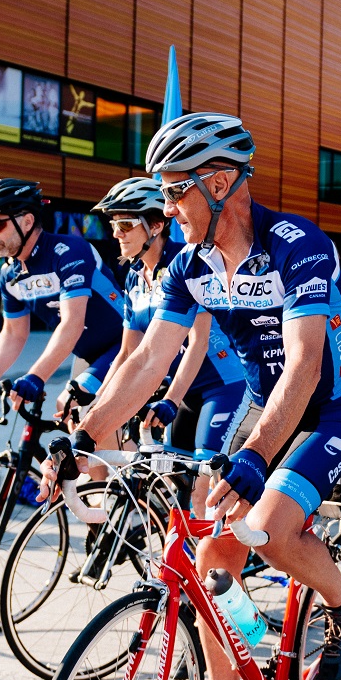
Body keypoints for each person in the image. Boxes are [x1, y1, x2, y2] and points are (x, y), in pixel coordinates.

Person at [41, 111, 341, 680]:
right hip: (265, 411)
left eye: (175, 190)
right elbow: (143, 364)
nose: (167, 207)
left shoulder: (295, 245)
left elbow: (306, 362)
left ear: (221, 180)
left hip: (330, 408)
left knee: (274, 531)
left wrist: (255, 454)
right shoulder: (189, 266)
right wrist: (82, 436)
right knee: (209, 558)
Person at [93, 177, 247, 491]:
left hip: (223, 387)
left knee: (205, 489)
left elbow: (198, 343)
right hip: (182, 392)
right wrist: (98, 403)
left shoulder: (188, 264)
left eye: (124, 224)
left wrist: (170, 401)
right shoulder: (134, 278)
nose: (116, 234)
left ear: (156, 226)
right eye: (113, 226)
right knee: (172, 487)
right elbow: (128, 354)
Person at [0, 179, 124, 425]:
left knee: (71, 408)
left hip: (125, 344)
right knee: (76, 430)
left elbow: (72, 323)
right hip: (87, 355)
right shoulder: (10, 276)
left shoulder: (69, 251)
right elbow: (13, 334)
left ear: (27, 221)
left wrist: (36, 377)